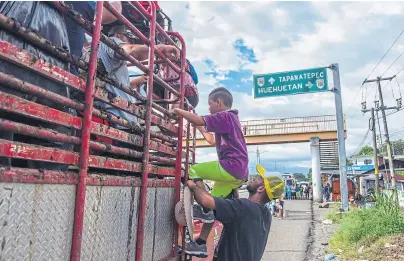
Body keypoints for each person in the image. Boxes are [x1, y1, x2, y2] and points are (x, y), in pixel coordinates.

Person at [171, 87, 248, 256]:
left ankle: (203, 208)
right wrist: (199, 126)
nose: (209, 108)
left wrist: (177, 110)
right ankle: (199, 243)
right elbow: (211, 139)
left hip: (231, 165)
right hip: (239, 173)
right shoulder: (231, 119)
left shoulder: (225, 115)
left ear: (219, 103)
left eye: (210, 104)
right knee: (216, 204)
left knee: (194, 169)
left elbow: (199, 120)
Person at [184, 171, 284, 261]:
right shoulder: (266, 214)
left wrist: (192, 184)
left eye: (259, 179)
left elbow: (206, 200)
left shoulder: (243, 207)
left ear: (261, 188)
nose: (254, 179)